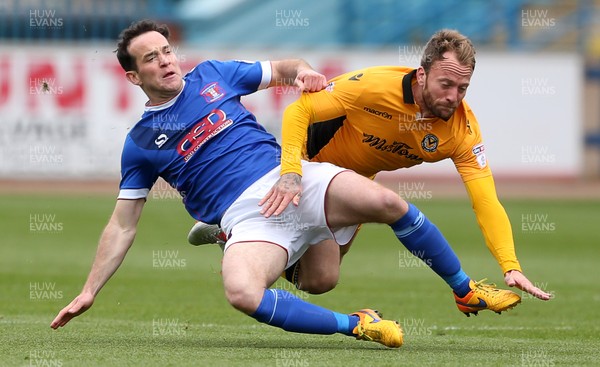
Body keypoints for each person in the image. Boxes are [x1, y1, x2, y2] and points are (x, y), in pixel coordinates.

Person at [50, 19, 444, 348]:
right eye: (152, 58)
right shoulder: (139, 143)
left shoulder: (213, 75)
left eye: (167, 50)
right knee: (243, 292)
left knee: (323, 278)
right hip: (246, 216)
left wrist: (303, 72)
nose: (166, 61)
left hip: (287, 181)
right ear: (134, 76)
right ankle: (357, 324)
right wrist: (89, 291)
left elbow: (286, 67)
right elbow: (122, 224)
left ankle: (463, 287)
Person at [189, 29, 552, 315]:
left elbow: (485, 199)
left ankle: (229, 235)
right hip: (309, 169)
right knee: (390, 208)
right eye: (446, 84)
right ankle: (464, 289)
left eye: (463, 87)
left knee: (320, 280)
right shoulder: (375, 86)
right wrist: (291, 171)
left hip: (354, 184)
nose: (454, 96)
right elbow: (298, 112)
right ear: (422, 75)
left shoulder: (461, 131)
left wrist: (510, 265)